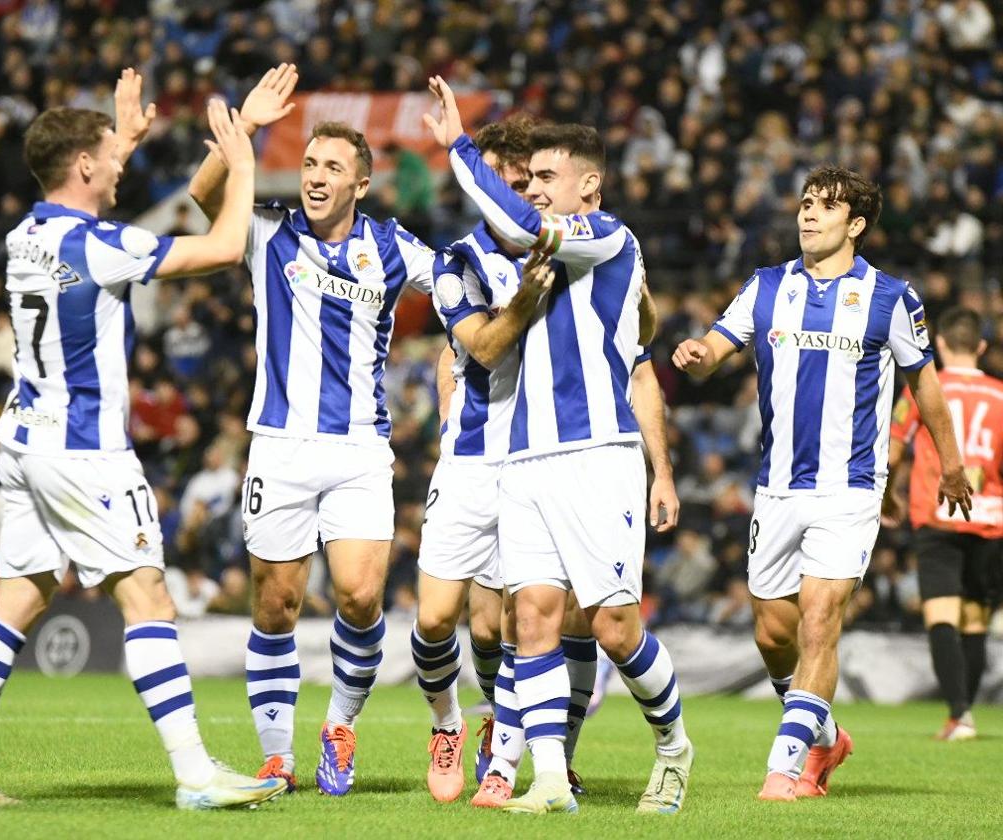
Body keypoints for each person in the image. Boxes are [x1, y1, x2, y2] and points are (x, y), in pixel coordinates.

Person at [0, 70, 286, 811]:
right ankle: (195, 775)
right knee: (149, 600)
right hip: (83, 451)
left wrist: (118, 138)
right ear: (84, 167)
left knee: (18, 602)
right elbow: (223, 247)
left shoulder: (23, 234)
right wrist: (243, 157)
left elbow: (77, 194)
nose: (122, 166)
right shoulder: (102, 246)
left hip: (22, 441)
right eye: (110, 158)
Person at [425, 77, 693, 816]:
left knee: (612, 626)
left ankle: (673, 746)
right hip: (521, 457)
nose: (535, 188)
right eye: (530, 177)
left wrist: (458, 146)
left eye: (547, 177)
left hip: (596, 455)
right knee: (534, 617)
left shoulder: (609, 236)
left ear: (589, 185)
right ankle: (548, 781)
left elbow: (523, 229)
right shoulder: (518, 254)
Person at [672, 165, 973, 801]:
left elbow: (925, 385)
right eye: (806, 202)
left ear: (855, 225)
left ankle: (785, 768)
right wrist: (696, 355)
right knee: (772, 634)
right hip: (777, 487)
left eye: (826, 206)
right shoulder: (765, 287)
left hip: (851, 487)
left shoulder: (891, 298)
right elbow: (716, 347)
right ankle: (826, 736)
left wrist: (948, 461)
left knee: (820, 617)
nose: (809, 214)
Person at [187, 64, 434, 795]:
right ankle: (275, 756)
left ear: (362, 184)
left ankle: (340, 727)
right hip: (281, 445)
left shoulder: (393, 248)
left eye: (334, 167)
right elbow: (205, 196)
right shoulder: (269, 235)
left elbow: (464, 278)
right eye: (310, 163)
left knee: (359, 597)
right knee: (276, 603)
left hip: (359, 448)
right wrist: (248, 130)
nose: (316, 176)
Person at [411, 115, 554, 804]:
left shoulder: (562, 247)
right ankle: (447, 723)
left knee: (506, 624)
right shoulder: (457, 262)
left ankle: (507, 745)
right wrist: (528, 300)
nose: (517, 191)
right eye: (505, 178)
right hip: (468, 462)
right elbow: (486, 347)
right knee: (436, 619)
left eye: (526, 182)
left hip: (533, 463)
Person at [887, 306, 1003, 741]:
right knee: (974, 619)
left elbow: (895, 447)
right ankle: (965, 713)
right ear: (982, 346)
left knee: (941, 616)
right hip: (991, 518)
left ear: (938, 344)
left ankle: (959, 716)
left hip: (937, 515)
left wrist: (889, 493)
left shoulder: (922, 387)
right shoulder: (1000, 396)